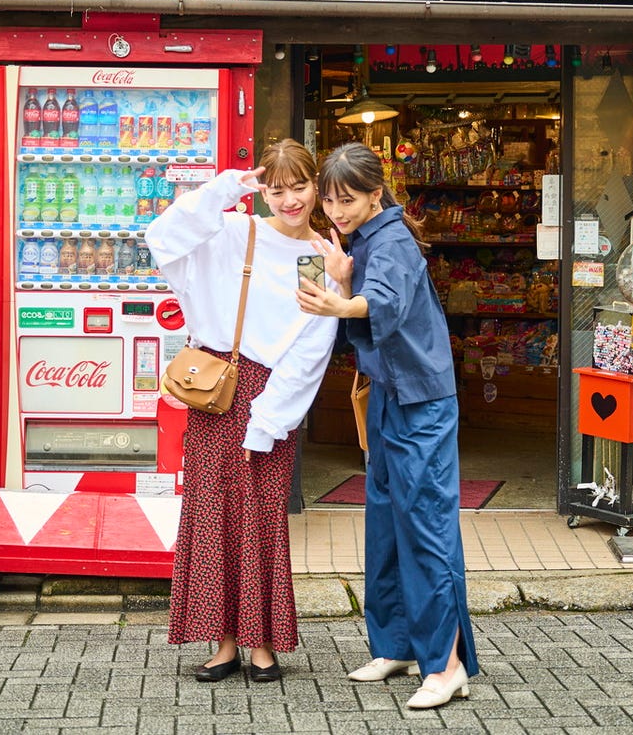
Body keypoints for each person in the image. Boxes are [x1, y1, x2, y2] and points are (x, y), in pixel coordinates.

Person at [146, 139, 339, 684]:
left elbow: (314, 341)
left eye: (299, 187)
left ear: (316, 185)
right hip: (218, 388)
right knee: (214, 519)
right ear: (262, 190)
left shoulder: (320, 257)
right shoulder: (235, 231)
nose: (289, 200)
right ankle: (226, 642)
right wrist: (225, 189)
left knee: (263, 519)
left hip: (273, 395)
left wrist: (271, 418)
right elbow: (161, 237)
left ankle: (263, 643)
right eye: (276, 189)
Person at [296, 142, 479, 710]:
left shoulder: (393, 239)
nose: (337, 211)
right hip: (391, 397)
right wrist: (344, 286)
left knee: (424, 525)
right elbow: (373, 308)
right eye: (328, 200)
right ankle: (398, 643)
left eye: (347, 199)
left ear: (377, 193)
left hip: (420, 402)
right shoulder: (367, 239)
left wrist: (338, 299)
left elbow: (386, 304)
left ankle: (446, 664)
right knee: (384, 519)